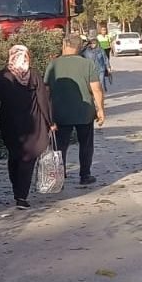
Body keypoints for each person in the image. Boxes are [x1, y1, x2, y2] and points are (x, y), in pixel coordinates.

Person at [0, 44, 54, 209]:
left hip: (10, 124)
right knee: (27, 159)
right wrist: (50, 122)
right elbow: (43, 101)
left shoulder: (2, 76)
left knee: (17, 156)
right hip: (34, 124)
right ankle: (20, 194)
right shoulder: (33, 75)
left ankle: (19, 192)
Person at [45, 34, 105, 185]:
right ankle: (85, 175)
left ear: (64, 45)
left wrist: (46, 113)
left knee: (60, 145)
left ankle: (60, 174)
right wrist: (100, 110)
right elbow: (97, 89)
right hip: (84, 112)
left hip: (60, 113)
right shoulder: (87, 64)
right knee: (86, 144)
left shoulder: (53, 65)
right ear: (79, 47)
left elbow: (46, 91)